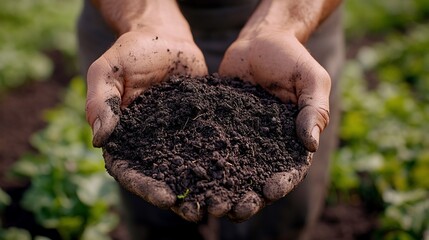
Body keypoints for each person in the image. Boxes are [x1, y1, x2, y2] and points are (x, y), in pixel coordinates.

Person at [77, 0, 345, 239]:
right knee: (154, 219)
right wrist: (145, 17)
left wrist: (283, 24)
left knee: (280, 221)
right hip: (133, 29)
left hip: (290, 32)